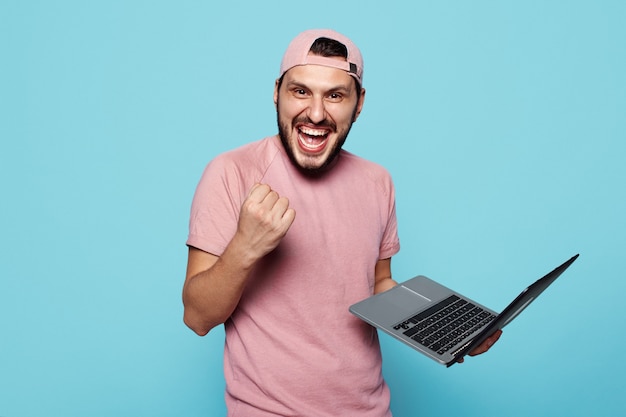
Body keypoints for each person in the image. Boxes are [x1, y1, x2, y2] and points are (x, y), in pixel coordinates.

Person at [182, 29, 501, 417]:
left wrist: (447, 329)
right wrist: (245, 248)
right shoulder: (231, 173)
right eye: (300, 92)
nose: (316, 114)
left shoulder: (377, 181)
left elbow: (378, 284)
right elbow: (197, 317)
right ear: (276, 92)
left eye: (335, 95)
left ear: (359, 103)